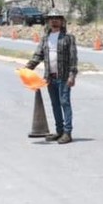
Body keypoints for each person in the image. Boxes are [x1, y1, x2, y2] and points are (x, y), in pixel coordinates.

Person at [25, 10, 78, 143]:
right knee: (55, 104)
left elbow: (73, 58)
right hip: (50, 77)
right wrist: (28, 67)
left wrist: (72, 75)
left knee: (65, 103)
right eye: (51, 18)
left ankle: (67, 132)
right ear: (48, 22)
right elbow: (38, 55)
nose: (54, 20)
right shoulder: (45, 39)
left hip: (64, 77)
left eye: (57, 18)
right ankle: (59, 131)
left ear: (62, 21)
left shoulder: (68, 38)